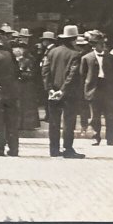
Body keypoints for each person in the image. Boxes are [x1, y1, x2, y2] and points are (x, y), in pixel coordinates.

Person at [42, 25, 86, 159]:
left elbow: (45, 72)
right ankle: (68, 149)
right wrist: (63, 91)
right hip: (69, 94)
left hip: (52, 92)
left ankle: (54, 149)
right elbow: (72, 75)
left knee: (54, 121)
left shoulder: (52, 52)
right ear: (73, 39)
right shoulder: (76, 54)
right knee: (69, 121)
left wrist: (49, 89)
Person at [81, 31, 113, 146]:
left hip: (108, 87)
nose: (100, 46)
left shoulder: (111, 57)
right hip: (94, 88)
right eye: (97, 44)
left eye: (101, 43)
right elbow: (83, 75)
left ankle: (111, 138)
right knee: (95, 115)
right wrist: (86, 89)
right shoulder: (86, 58)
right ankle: (95, 136)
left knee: (111, 114)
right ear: (93, 45)